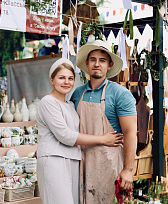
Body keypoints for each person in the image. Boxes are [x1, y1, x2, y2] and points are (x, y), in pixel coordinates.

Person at [36, 58, 123, 204]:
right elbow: (65, 135)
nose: (66, 82)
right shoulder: (48, 102)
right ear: (52, 80)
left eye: (70, 78)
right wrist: (102, 139)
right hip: (54, 160)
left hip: (73, 160)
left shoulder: (70, 104)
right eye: (61, 78)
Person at [70, 40, 137, 203]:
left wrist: (128, 170)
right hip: (81, 163)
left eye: (102, 60)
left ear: (109, 64)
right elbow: (69, 131)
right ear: (87, 63)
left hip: (109, 165)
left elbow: (130, 133)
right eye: (93, 59)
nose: (97, 64)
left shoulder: (121, 94)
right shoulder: (77, 93)